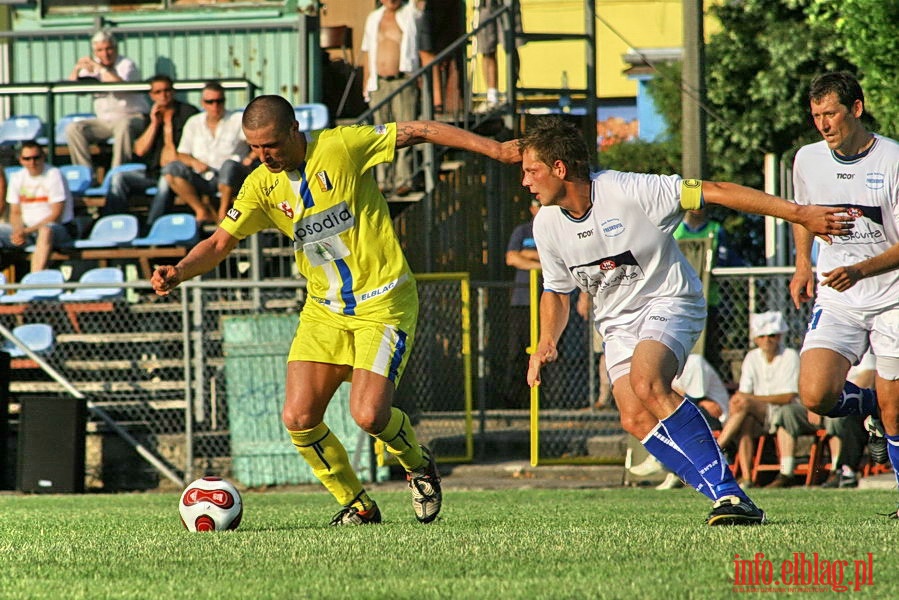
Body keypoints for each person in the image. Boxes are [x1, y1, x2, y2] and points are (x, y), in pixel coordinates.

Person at [150, 95, 521, 526]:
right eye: (253, 147)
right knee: (298, 418)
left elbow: (419, 130)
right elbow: (218, 244)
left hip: (382, 302)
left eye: (270, 144)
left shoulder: (342, 146)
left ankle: (418, 465)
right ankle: (359, 506)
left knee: (368, 416)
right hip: (324, 311)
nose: (263, 155)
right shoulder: (259, 186)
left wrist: (495, 150)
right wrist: (178, 271)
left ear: (294, 129)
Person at [521, 117, 851, 525]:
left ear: (559, 168)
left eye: (530, 170)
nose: (524, 181)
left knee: (647, 382)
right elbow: (555, 290)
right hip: (617, 324)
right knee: (633, 415)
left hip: (670, 299)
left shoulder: (629, 190)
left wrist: (800, 214)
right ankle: (728, 494)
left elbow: (717, 191)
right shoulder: (547, 223)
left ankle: (728, 493)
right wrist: (546, 340)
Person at [789, 71, 899, 516]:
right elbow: (802, 215)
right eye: (816, 115)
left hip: (892, 296)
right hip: (838, 296)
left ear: (856, 109)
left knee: (897, 413)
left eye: (831, 113)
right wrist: (802, 265)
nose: (823, 124)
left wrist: (859, 269)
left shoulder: (892, 160)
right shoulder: (807, 160)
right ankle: (868, 400)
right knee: (814, 395)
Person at [715, 312, 816, 488]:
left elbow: (788, 396)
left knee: (744, 405)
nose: (767, 340)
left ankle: (715, 450)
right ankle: (747, 478)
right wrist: (747, 400)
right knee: (744, 417)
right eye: (762, 336)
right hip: (760, 415)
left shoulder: (790, 355)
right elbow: (744, 394)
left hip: (787, 410)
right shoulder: (751, 357)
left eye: (772, 336)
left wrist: (750, 399)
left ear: (779, 337)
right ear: (756, 339)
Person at [153, 81, 254, 226]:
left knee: (229, 165)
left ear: (225, 101)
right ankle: (201, 211)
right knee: (171, 169)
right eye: (210, 101)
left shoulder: (237, 119)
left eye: (219, 101)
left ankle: (222, 214)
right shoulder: (194, 122)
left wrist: (250, 157)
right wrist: (194, 162)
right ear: (203, 103)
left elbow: (258, 140)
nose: (215, 106)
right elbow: (182, 154)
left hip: (234, 176)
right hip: (203, 176)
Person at [102, 74, 199, 221]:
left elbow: (175, 156)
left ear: (173, 92)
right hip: (153, 172)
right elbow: (140, 150)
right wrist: (154, 123)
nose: (163, 95)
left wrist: (168, 126)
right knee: (119, 178)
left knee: (165, 180)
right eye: (158, 92)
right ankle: (113, 223)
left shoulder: (188, 113)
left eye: (167, 90)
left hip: (179, 173)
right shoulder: (150, 117)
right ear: (151, 95)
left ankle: (152, 226)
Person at [630, 353, 728, 489]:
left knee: (670, 416)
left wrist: (699, 400)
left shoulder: (694, 361)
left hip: (716, 416)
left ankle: (659, 460)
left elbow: (692, 398)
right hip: (699, 408)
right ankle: (673, 472)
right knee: (661, 412)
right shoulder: (668, 367)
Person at [65, 29, 149, 175]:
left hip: (133, 117)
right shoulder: (92, 66)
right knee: (73, 128)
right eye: (100, 50)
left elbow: (121, 87)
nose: (105, 54)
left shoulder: (127, 64)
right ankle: (84, 174)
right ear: (95, 52)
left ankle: (117, 175)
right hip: (105, 122)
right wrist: (77, 69)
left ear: (115, 48)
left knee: (124, 125)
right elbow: (75, 90)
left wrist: (101, 70)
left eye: (109, 49)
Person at [673, 206, 743, 378]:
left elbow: (726, 259)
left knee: (710, 345)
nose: (697, 209)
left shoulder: (716, 229)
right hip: (678, 299)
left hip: (709, 299)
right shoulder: (675, 230)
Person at [361, 0, 421, 196]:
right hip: (380, 84)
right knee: (380, 133)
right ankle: (383, 180)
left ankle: (405, 179)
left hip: (402, 80)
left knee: (404, 130)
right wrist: (366, 84)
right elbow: (368, 52)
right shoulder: (373, 18)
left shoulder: (409, 13)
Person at [0, 142, 76, 273]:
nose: (32, 162)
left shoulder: (54, 175)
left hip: (58, 229)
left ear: (43, 157)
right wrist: (18, 230)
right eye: (27, 159)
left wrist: (27, 231)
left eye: (36, 158)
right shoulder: (17, 178)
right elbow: (15, 212)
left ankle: (34, 283)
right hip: (27, 231)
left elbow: (56, 215)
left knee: (45, 231)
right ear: (20, 160)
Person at [503, 199, 541, 409]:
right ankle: (514, 401)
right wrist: (541, 262)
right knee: (517, 351)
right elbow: (512, 258)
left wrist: (527, 256)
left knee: (544, 350)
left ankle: (544, 400)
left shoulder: (554, 230)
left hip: (544, 300)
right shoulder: (522, 231)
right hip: (522, 301)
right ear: (531, 207)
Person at [819, 352, 873, 488]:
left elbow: (868, 377)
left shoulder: (866, 349)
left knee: (850, 415)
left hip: (866, 400)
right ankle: (839, 470)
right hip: (836, 401)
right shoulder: (831, 351)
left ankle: (846, 470)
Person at [473, 0, 522, 113]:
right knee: (487, 48)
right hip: (485, 4)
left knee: (511, 45)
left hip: (507, 3)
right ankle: (492, 97)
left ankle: (510, 94)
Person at [416, 1, 464, 114]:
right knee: (428, 54)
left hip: (442, 11)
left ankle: (440, 102)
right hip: (425, 11)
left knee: (446, 57)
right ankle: (435, 101)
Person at [576, 291, 612, 410]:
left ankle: (606, 400)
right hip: (605, 304)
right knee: (606, 353)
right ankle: (604, 400)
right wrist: (585, 295)